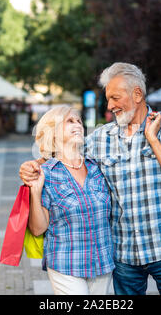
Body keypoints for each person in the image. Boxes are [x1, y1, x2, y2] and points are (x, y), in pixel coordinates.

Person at [20, 62, 161, 295]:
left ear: (137, 94)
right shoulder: (101, 138)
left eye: (115, 98)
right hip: (124, 254)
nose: (110, 105)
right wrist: (34, 165)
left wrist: (152, 139)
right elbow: (66, 155)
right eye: (108, 99)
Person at [27, 105, 115, 295]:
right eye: (69, 121)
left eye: (79, 121)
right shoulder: (46, 173)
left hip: (102, 261)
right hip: (66, 263)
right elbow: (38, 228)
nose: (77, 125)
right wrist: (35, 192)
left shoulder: (97, 167)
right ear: (54, 133)